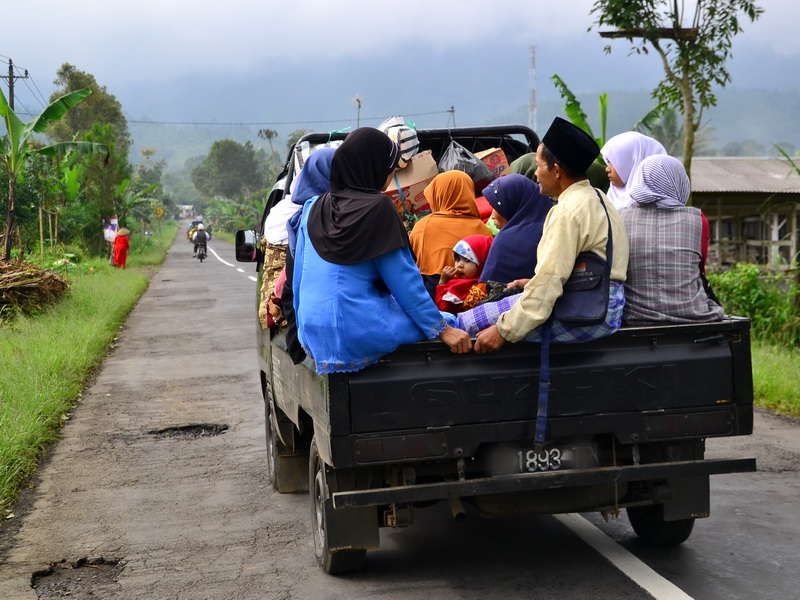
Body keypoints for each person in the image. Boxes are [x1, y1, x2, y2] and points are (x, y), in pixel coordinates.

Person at [293, 127, 471, 374]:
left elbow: (298, 278)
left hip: (313, 331)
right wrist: (443, 330)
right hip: (358, 330)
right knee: (453, 321)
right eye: (391, 170)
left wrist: (303, 331)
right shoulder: (378, 208)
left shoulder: (312, 206)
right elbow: (404, 281)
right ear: (374, 169)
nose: (390, 178)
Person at [470, 117, 629, 353]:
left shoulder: (566, 210)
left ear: (556, 170)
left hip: (587, 312)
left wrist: (504, 330)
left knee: (470, 323)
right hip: (608, 307)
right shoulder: (598, 197)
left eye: (539, 166)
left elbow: (548, 283)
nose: (535, 175)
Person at [621, 154, 724, 324]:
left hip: (633, 317)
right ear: (680, 182)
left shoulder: (619, 217)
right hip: (693, 314)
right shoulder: (697, 219)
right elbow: (700, 267)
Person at [409, 170, 491, 294]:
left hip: (435, 294)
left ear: (440, 195)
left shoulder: (424, 226)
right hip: (477, 295)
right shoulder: (483, 229)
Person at [479, 174, 554, 286]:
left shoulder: (506, 242)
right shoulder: (555, 225)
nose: (492, 216)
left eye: (498, 207)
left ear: (513, 204)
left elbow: (483, 291)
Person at [600, 132, 666, 210]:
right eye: (608, 162)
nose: (607, 169)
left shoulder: (652, 207)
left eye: (613, 162)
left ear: (633, 163)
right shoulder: (611, 197)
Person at [434, 235, 493, 313]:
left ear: (483, 262)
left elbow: (444, 310)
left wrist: (442, 284)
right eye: (457, 259)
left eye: (467, 260)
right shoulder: (458, 282)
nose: (459, 265)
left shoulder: (479, 287)